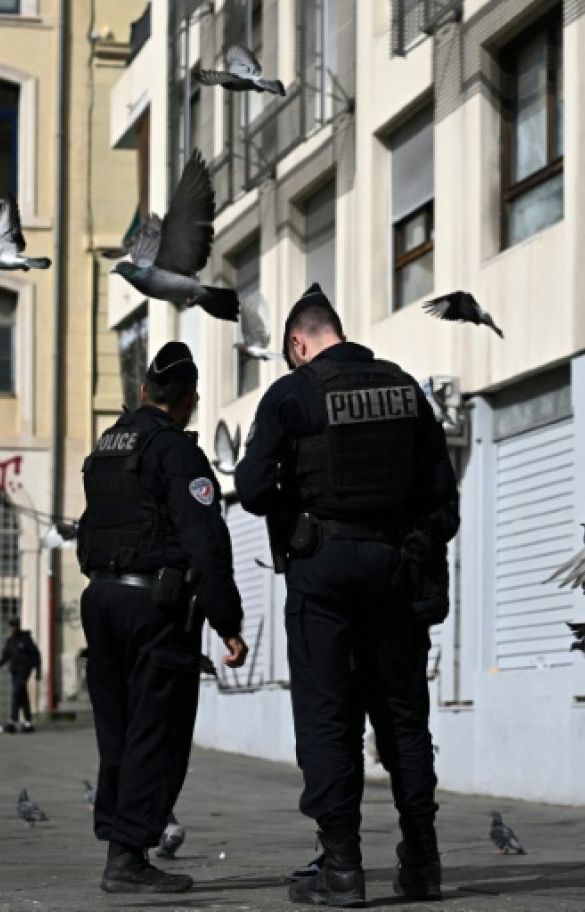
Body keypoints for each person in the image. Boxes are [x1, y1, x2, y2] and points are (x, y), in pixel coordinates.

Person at [235, 285, 460, 907]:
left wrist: (299, 513)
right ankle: (422, 860)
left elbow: (252, 487)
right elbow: (442, 494)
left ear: (298, 344)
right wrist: (408, 542)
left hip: (322, 569)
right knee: (404, 715)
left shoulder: (294, 392)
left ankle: (341, 868)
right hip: (394, 569)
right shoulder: (405, 388)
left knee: (327, 716)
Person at [76, 340, 249, 895]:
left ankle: (118, 844)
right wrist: (228, 621)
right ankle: (128, 856)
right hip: (153, 606)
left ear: (144, 391)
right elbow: (205, 542)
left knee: (118, 733)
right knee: (157, 731)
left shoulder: (107, 446)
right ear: (189, 400)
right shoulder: (177, 452)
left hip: (100, 600)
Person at [0, 617, 41, 733]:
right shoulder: (10, 641)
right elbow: (5, 657)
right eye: (12, 626)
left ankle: (13, 720)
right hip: (15, 671)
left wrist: (38, 672)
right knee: (22, 695)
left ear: (18, 626)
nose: (13, 628)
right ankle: (28, 722)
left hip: (24, 671)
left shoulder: (26, 639)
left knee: (17, 692)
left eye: (15, 626)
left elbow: (36, 655)